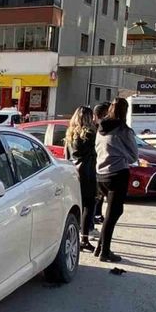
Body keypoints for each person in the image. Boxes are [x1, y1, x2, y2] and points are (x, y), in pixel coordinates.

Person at [94, 98, 138, 263]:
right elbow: (134, 156)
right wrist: (121, 154)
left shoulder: (100, 128)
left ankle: (100, 247)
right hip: (118, 174)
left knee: (111, 212)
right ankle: (105, 252)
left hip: (101, 175)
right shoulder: (124, 131)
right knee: (113, 214)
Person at [65, 106, 98, 252]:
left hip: (73, 172)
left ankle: (75, 236)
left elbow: (67, 156)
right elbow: (95, 153)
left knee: (77, 205)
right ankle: (84, 238)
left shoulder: (70, 134)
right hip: (87, 172)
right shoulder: (90, 134)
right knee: (88, 206)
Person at [92, 102, 111, 226]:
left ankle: (97, 215)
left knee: (99, 196)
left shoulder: (101, 128)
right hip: (95, 168)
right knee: (95, 196)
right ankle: (92, 220)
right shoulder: (95, 130)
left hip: (97, 167)